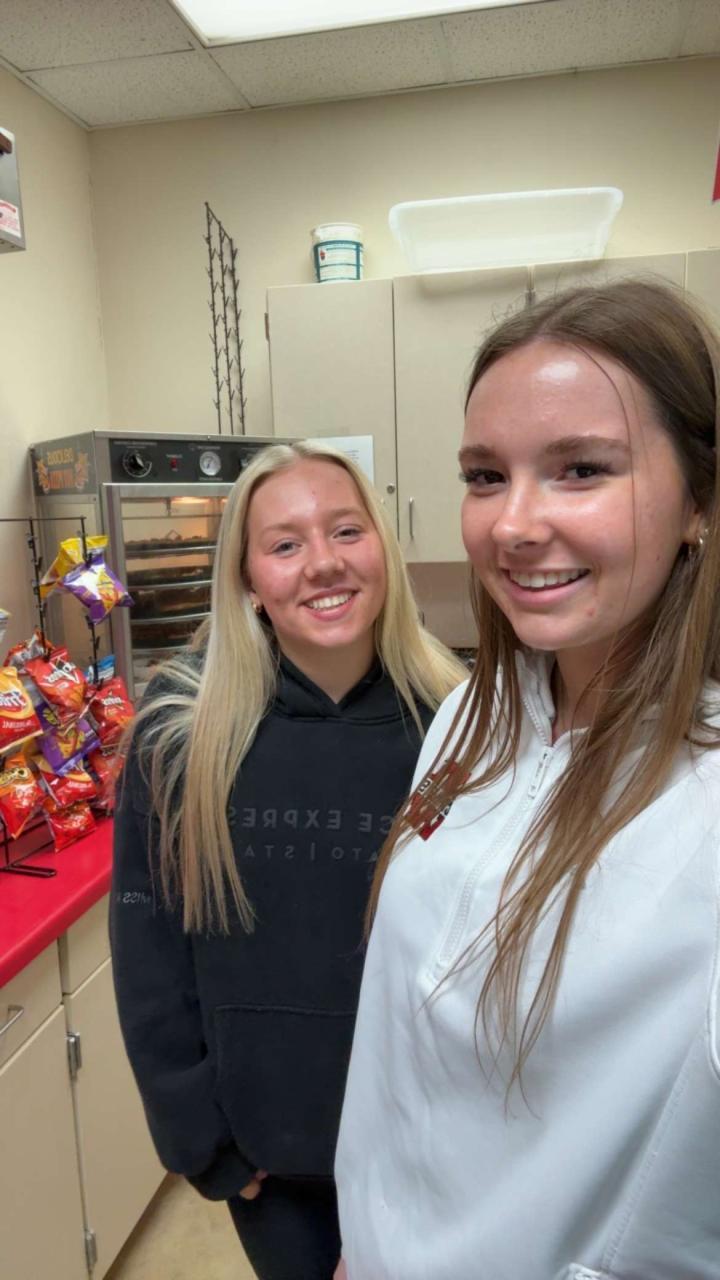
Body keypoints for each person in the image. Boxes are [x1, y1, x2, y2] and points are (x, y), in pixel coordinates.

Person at [335, 279, 720, 1279]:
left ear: (700, 500)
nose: (512, 523)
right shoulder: (473, 714)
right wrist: (362, 1238)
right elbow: (401, 1043)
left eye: (580, 469)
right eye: (484, 475)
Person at [110, 440, 465, 1280]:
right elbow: (150, 957)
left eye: (346, 530)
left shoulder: (454, 726)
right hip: (275, 1162)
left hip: (434, 1146)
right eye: (284, 544)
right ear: (247, 580)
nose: (323, 563)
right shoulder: (182, 732)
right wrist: (202, 1142)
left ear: (382, 548)